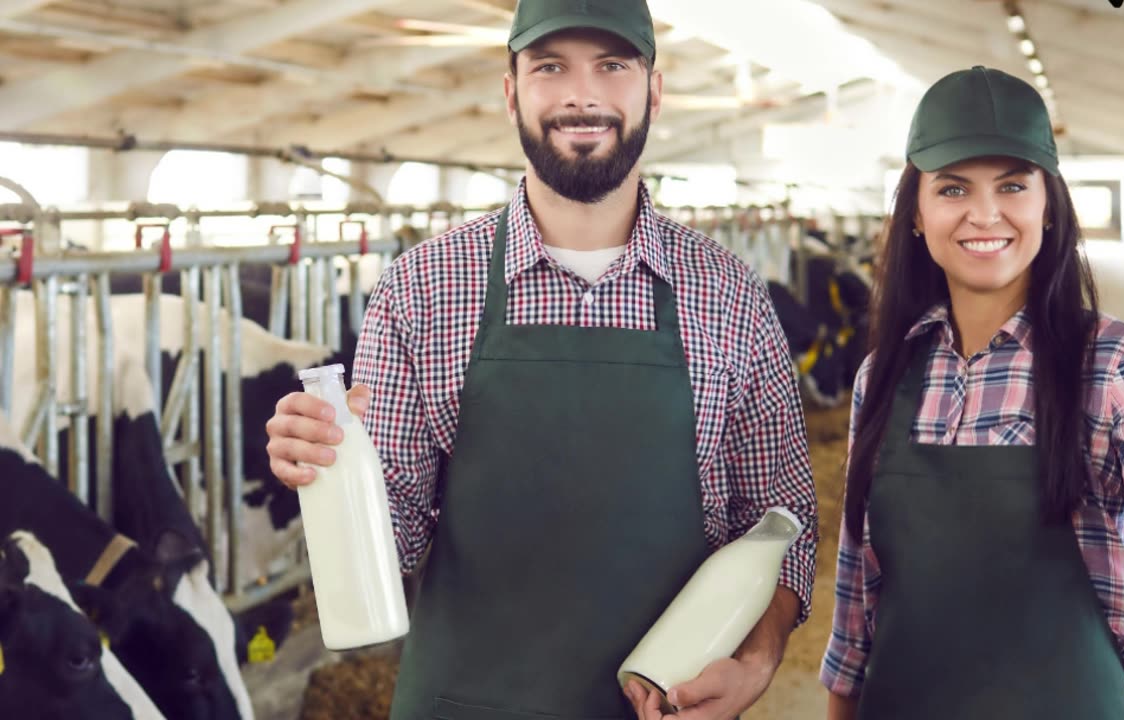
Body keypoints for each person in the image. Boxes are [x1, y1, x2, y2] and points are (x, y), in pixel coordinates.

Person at [263, 1, 818, 719]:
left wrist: (759, 656)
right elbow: (393, 538)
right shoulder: (423, 287)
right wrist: (328, 468)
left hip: (663, 706)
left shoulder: (728, 294)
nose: (581, 96)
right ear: (511, 90)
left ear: (653, 90)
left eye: (611, 66)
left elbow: (781, 519)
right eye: (550, 67)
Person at [821, 66, 1124, 720]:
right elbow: (859, 591)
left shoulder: (1114, 364)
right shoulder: (883, 374)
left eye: (1012, 185)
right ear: (915, 214)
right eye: (952, 188)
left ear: (1050, 206)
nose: (984, 214)